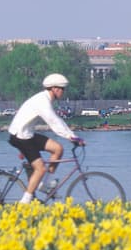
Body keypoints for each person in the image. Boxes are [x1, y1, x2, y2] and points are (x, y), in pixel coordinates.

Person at [8, 73, 84, 204]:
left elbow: (58, 120)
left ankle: (44, 184)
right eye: (62, 89)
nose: (63, 92)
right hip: (20, 136)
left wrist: (73, 136)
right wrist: (72, 137)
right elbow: (54, 122)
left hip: (27, 134)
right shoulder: (42, 102)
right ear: (55, 89)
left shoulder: (45, 99)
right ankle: (24, 202)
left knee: (57, 149)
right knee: (40, 168)